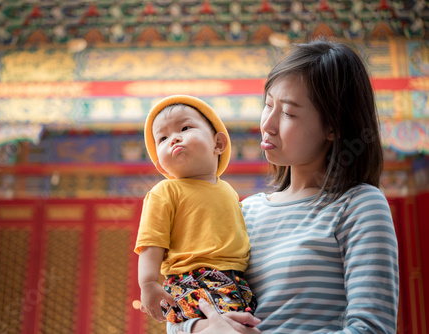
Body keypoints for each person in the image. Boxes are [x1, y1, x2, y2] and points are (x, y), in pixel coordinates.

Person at [170, 39, 399, 334]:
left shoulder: (358, 205)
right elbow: (181, 308)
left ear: (334, 127)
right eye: (268, 104)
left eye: (289, 113)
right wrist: (203, 329)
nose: (268, 124)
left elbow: (371, 329)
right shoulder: (242, 211)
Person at [134, 95, 257, 325]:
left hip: (235, 281)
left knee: (238, 325)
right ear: (161, 165)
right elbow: (152, 242)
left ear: (218, 144)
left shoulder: (229, 191)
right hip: (189, 280)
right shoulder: (165, 191)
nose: (174, 138)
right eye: (163, 137)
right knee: (208, 325)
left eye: (185, 127)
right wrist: (148, 283)